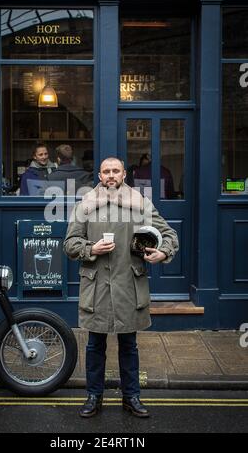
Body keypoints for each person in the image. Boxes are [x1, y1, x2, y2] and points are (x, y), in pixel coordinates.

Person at [64, 157, 179, 418]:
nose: (111, 175)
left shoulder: (139, 204)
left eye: (116, 171)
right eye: (106, 171)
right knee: (95, 346)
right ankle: (93, 397)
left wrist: (163, 252)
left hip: (129, 285)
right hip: (97, 288)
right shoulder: (86, 204)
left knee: (129, 346)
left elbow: (169, 234)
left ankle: (132, 397)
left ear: (124, 174)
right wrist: (90, 249)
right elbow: (70, 243)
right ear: (99, 175)